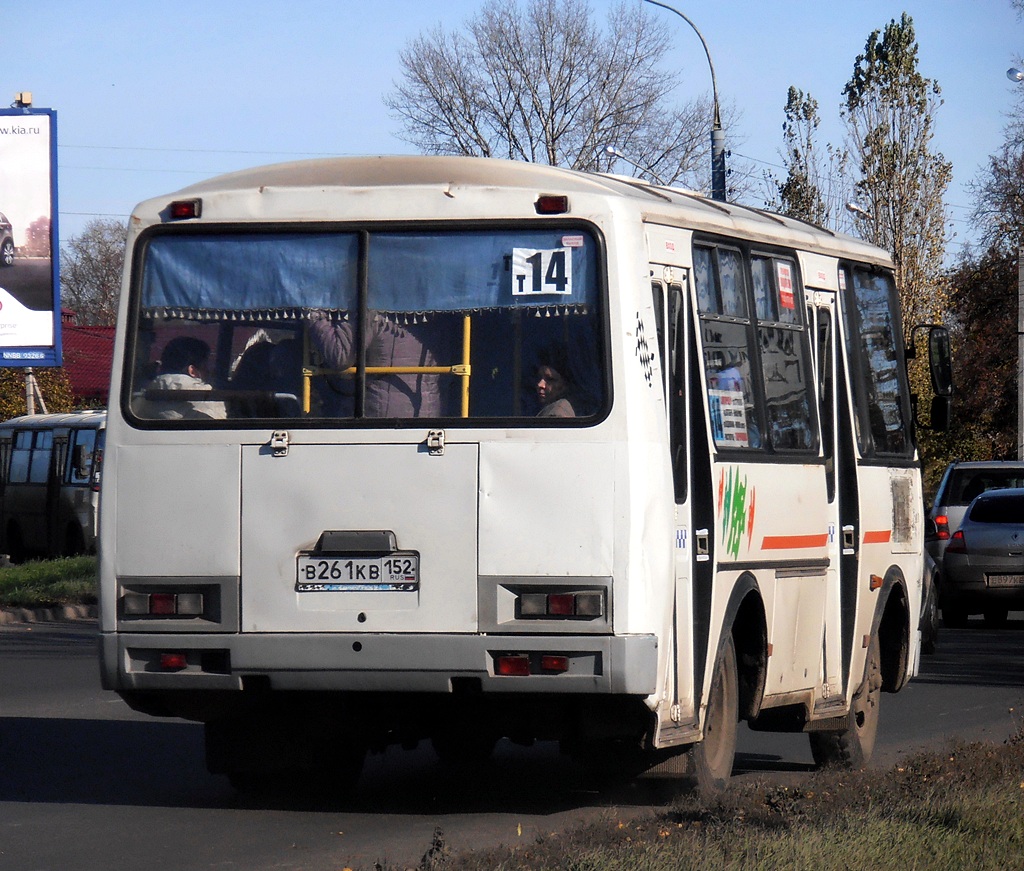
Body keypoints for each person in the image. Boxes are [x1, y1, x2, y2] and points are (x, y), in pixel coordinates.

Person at [307, 311, 442, 418]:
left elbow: (341, 355)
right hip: (429, 410)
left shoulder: (374, 305)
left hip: (381, 415)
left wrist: (312, 314)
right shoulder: (438, 310)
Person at [135, 336, 227, 421]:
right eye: (206, 366)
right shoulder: (207, 397)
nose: (209, 371)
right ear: (192, 371)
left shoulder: (142, 395)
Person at [534, 344, 579, 418]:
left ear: (564, 385)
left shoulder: (559, 412)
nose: (540, 384)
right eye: (538, 378)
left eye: (550, 379)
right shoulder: (547, 409)